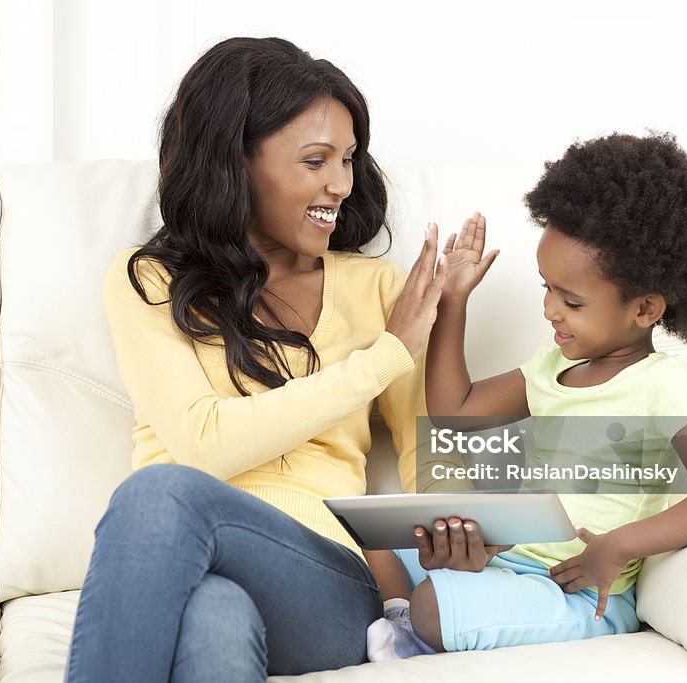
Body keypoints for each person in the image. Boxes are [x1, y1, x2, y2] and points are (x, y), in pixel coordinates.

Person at [63, 36, 456, 682]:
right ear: (236, 163)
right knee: (216, 616)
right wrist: (381, 356)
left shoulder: (377, 289)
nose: (340, 183)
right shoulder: (149, 282)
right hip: (183, 554)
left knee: (157, 497)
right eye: (315, 160)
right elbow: (202, 444)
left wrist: (454, 537)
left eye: (349, 159)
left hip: (323, 579)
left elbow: (428, 460)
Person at [367, 132, 687, 658]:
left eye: (570, 300)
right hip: (507, 561)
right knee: (375, 539)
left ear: (645, 309)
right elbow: (454, 413)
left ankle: (417, 627)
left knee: (435, 601)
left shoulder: (663, 384)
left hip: (580, 591)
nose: (550, 309)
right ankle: (407, 622)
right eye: (545, 287)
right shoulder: (553, 368)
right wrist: (454, 301)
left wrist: (619, 546)